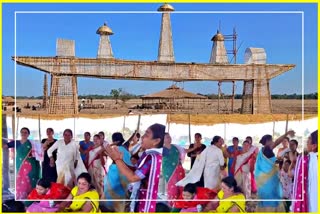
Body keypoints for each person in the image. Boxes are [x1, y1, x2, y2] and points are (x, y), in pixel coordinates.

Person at [105, 123, 165, 212]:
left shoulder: (153, 157)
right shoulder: (147, 154)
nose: (142, 137)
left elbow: (133, 177)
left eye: (146, 135)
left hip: (146, 203)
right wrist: (121, 161)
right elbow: (136, 171)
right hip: (140, 198)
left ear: (156, 141)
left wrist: (117, 159)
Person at [254, 130, 295, 212]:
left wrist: (278, 159)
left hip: (263, 178)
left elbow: (273, 161)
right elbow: (277, 142)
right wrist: (286, 134)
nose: (273, 142)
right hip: (269, 179)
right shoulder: (266, 150)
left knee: (266, 194)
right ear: (268, 141)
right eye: (271, 140)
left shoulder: (263, 150)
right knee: (271, 194)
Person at [102, 132, 133, 212]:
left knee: (111, 190)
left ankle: (110, 208)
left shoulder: (115, 148)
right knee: (121, 191)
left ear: (114, 140)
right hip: (125, 172)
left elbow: (104, 150)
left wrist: (112, 144)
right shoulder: (125, 149)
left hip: (115, 171)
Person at [292, 130, 318, 212]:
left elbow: (297, 180)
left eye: (308, 140)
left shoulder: (307, 160)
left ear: (314, 146)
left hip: (310, 203)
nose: (306, 142)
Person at [15, 127, 41, 199]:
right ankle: (22, 195)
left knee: (31, 178)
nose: (23, 134)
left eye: (25, 132)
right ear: (20, 133)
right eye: (22, 132)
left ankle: (32, 195)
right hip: (20, 165)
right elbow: (5, 146)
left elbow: (40, 150)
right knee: (21, 179)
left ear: (28, 134)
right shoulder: (16, 142)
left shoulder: (33, 143)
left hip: (31, 166)